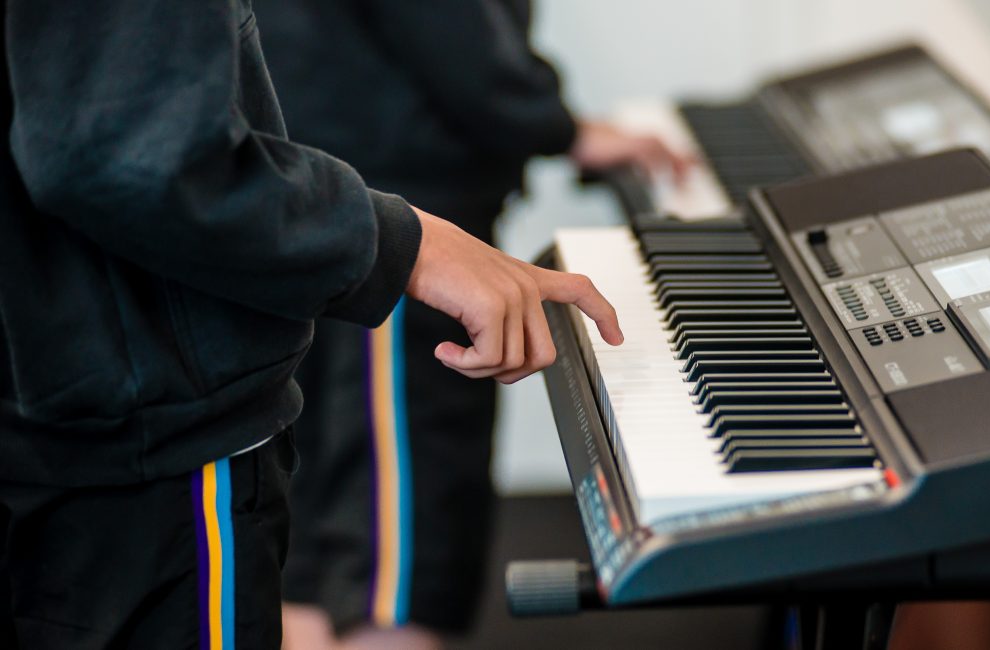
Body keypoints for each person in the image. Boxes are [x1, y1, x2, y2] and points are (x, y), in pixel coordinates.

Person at [0, 2, 623, 648]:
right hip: (172, 383)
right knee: (391, 572)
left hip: (256, 250)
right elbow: (129, 151)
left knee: (323, 554)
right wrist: (409, 243)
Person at [250, 2, 687, 647]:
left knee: (321, 526)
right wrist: (555, 124)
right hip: (394, 205)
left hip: (329, 184)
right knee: (394, 552)